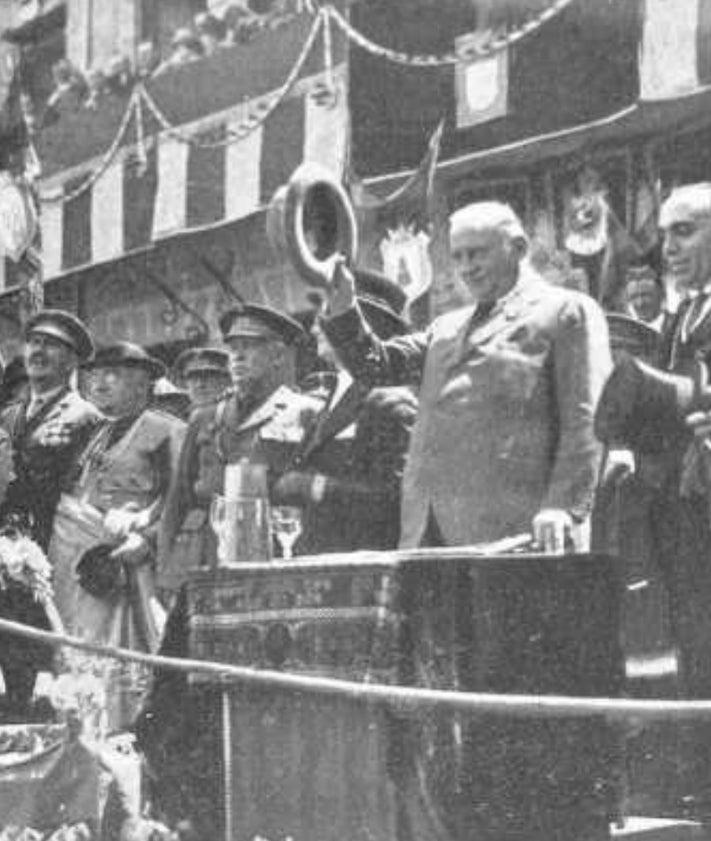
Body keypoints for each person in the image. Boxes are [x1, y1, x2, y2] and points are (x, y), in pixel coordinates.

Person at [321, 201, 612, 552]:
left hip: (517, 533)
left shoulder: (566, 311)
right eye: (457, 257)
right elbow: (376, 366)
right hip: (427, 530)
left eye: (477, 254)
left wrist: (563, 506)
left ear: (518, 249)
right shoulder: (445, 327)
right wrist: (342, 308)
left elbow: (589, 420)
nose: (466, 268)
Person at [47, 341, 186, 730]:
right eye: (94, 374)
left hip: (130, 572)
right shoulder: (91, 433)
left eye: (114, 374)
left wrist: (150, 539)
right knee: (77, 658)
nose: (99, 383)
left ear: (143, 383)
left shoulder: (168, 431)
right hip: (77, 573)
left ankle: (122, 738)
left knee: (124, 667)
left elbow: (186, 500)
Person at [633, 182, 711, 814]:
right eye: (665, 235)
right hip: (683, 513)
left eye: (684, 231)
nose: (669, 248)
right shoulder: (682, 315)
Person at [158, 303, 309, 597]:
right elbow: (178, 498)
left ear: (278, 355)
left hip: (268, 555)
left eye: (251, 346)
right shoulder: (205, 416)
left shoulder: (304, 412)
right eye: (233, 348)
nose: (238, 356)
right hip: (201, 556)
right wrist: (165, 572)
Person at [273, 269, 418, 553]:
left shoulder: (390, 396)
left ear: (364, 323)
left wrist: (315, 486)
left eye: (329, 315)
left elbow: (393, 497)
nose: (316, 328)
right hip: (320, 553)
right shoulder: (335, 391)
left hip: (362, 560)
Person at [0, 309, 100, 719]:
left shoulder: (85, 417)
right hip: (7, 555)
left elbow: (84, 489)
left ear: (73, 360)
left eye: (52, 345)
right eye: (34, 342)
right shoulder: (9, 416)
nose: (38, 351)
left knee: (47, 657)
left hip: (50, 553)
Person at [174, 347, 231, 413]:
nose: (200, 385)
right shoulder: (175, 419)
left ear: (226, 381)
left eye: (209, 376)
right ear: (185, 383)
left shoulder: (236, 415)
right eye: (193, 377)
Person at [624, 262, 670, 332]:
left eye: (646, 295)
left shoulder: (679, 325)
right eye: (634, 297)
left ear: (661, 294)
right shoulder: (626, 332)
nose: (640, 303)